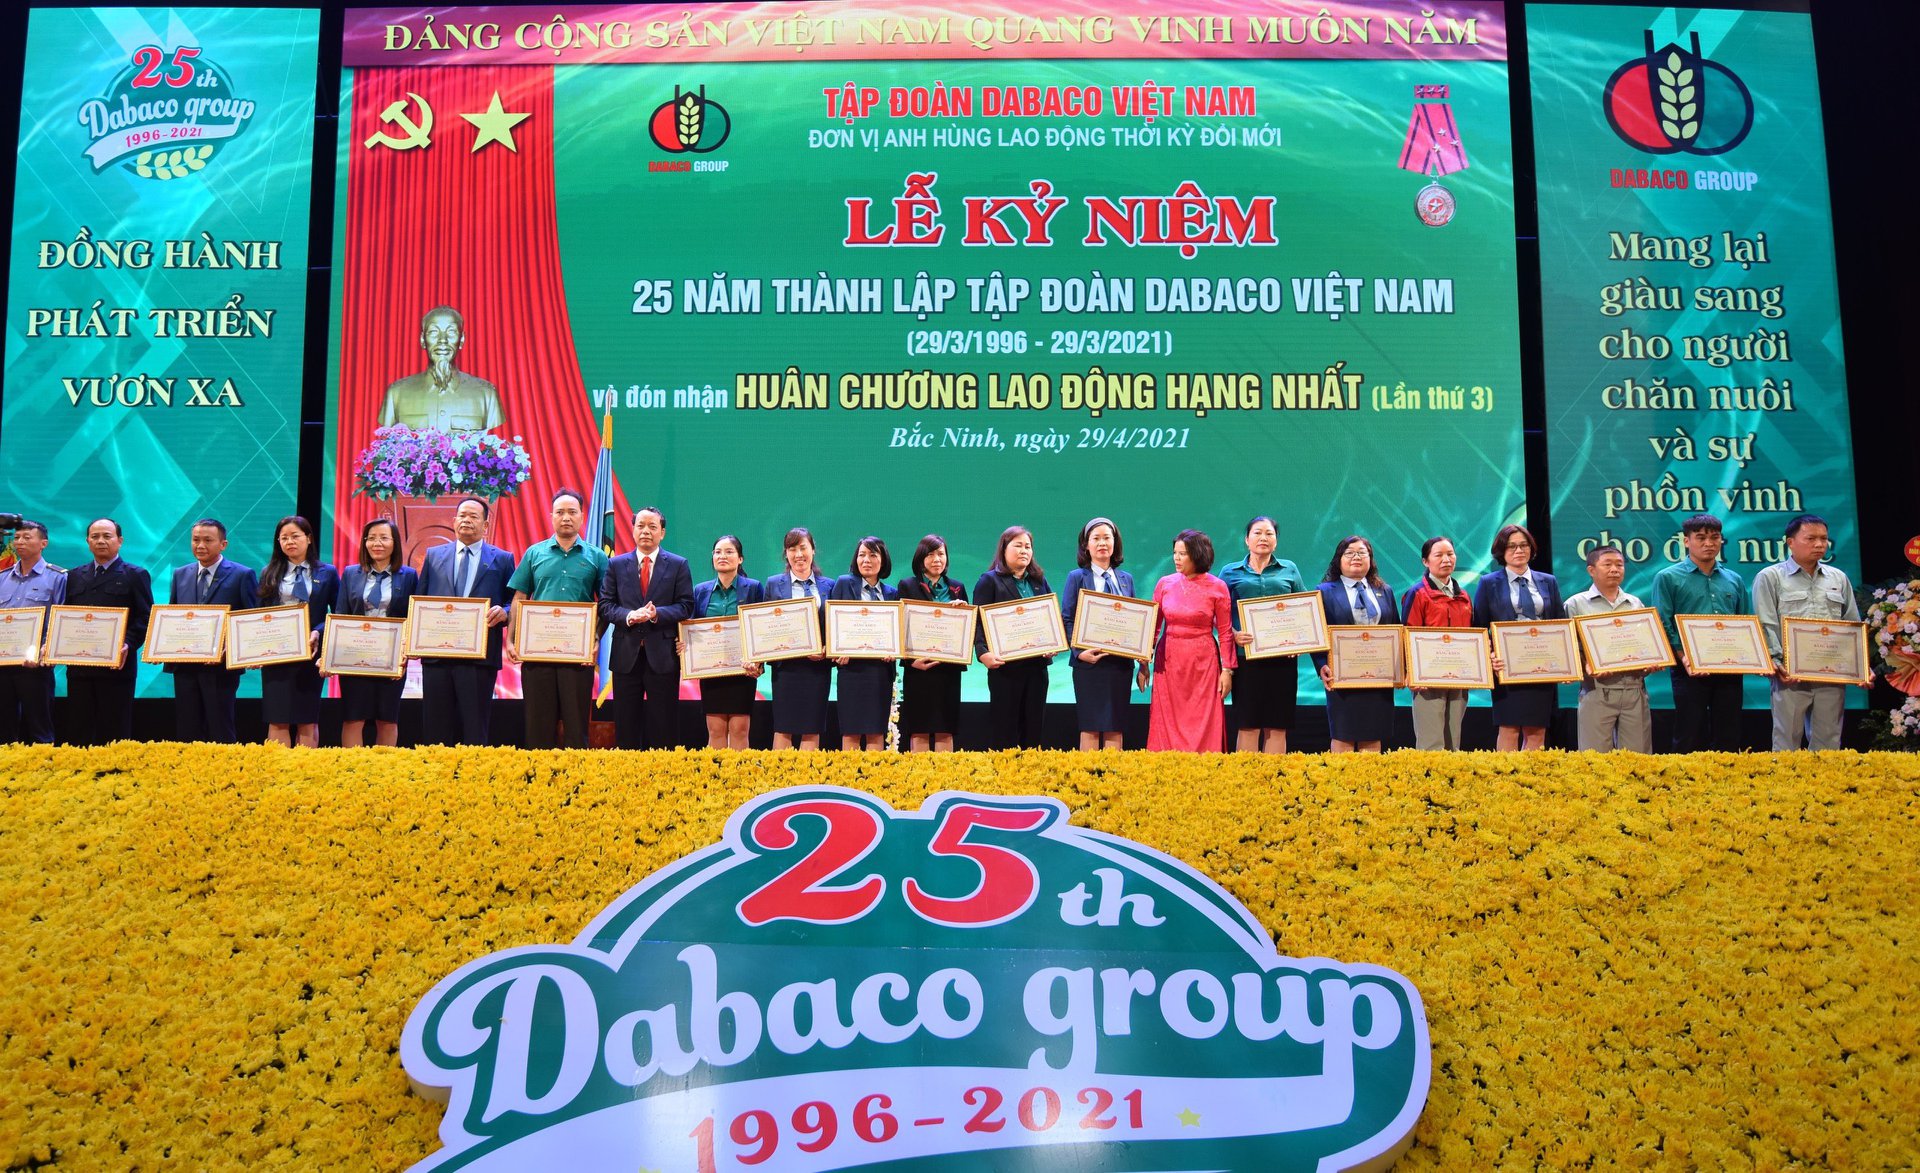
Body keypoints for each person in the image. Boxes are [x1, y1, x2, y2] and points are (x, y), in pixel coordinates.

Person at [506, 488, 607, 748]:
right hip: (537, 654)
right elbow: (519, 597)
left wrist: (596, 638)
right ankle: (538, 774)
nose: (566, 517)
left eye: (572, 512)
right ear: (551, 516)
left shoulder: (597, 556)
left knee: (576, 728)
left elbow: (606, 604)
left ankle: (575, 774)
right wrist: (511, 639)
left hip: (577, 656)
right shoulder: (534, 553)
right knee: (537, 728)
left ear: (582, 517)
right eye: (560, 512)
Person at [1753, 513, 1861, 751]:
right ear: (1790, 542)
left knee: (1829, 742)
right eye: (1811, 538)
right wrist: (1775, 663)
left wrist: (1861, 665)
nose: (1819, 544)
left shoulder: (1838, 578)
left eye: (1823, 538)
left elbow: (1852, 625)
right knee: (1786, 742)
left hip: (1831, 673)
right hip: (1789, 675)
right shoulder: (1770, 577)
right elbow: (1766, 623)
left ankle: (1825, 777)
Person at [415, 495, 515, 745]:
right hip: (437, 656)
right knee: (436, 728)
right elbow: (419, 600)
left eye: (473, 516)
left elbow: (514, 601)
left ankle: (473, 770)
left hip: (479, 659)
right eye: (462, 515)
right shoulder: (434, 555)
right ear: (454, 521)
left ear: (486, 525)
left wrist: (505, 612)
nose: (466, 520)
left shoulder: (503, 559)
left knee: (474, 728)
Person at [1652, 513, 1750, 752]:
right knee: (1689, 733)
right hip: (1688, 667)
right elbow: (1662, 622)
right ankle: (1685, 777)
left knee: (1729, 734)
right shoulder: (1667, 577)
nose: (1709, 543)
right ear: (1686, 541)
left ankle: (1727, 775)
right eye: (1701, 537)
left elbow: (1745, 623)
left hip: (1729, 667)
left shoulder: (1734, 579)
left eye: (1715, 537)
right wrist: (1683, 657)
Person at [600, 507, 695, 750]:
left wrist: (657, 614)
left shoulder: (678, 564)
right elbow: (605, 606)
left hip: (663, 657)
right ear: (632, 530)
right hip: (625, 656)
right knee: (626, 726)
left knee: (664, 727)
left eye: (652, 527)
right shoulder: (616, 565)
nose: (646, 531)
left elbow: (686, 606)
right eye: (640, 526)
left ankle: (664, 772)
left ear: (662, 533)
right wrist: (629, 616)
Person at [60, 518, 152, 745]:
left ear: (120, 541)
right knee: (78, 730)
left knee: (114, 731)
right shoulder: (74, 575)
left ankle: (114, 768)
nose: (101, 541)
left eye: (107, 536)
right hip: (79, 667)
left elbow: (145, 617)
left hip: (116, 668)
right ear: (87, 541)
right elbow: (65, 616)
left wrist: (127, 643)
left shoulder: (135, 575)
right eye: (95, 536)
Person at [1472, 524, 1564, 750]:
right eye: (1511, 546)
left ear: (1531, 548)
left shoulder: (1548, 581)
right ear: (1501, 551)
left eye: (1524, 545)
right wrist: (1490, 656)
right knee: (1509, 728)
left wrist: (1565, 662)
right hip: (1506, 667)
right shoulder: (1488, 583)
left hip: (1542, 666)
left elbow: (1559, 624)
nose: (1519, 550)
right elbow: (1480, 627)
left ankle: (1530, 773)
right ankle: (1506, 773)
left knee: (1537, 730)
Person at [1220, 515, 1307, 753]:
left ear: (1276, 541)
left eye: (1269, 533)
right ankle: (1247, 775)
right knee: (1248, 724)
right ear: (1246, 540)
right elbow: (1218, 613)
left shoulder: (1289, 569)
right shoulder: (1230, 572)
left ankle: (1272, 776)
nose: (1263, 538)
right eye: (1257, 533)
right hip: (1246, 658)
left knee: (1278, 725)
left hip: (1282, 658)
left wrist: (1300, 641)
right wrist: (1234, 634)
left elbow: (1303, 608)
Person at [167, 518, 258, 743]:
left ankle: (224, 766)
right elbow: (173, 616)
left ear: (223, 544)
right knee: (187, 729)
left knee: (220, 728)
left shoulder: (242, 574)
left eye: (208, 540)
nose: (200, 545)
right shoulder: (180, 574)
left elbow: (250, 619)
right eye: (195, 540)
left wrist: (232, 648)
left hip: (220, 668)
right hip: (185, 666)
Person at [1144, 529, 1235, 752]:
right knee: (1167, 722)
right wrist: (1144, 661)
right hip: (1169, 662)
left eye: (1182, 554)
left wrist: (1227, 671)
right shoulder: (1165, 584)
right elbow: (1153, 628)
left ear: (1198, 554)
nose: (1176, 558)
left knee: (1202, 721)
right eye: (1175, 553)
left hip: (1203, 665)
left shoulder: (1218, 587)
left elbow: (1225, 632)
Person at [1312, 536, 1401, 753]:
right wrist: (1321, 664)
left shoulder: (1385, 591)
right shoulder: (1324, 591)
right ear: (1339, 559)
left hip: (1378, 678)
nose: (1356, 557)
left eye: (1362, 553)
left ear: (1371, 559)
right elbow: (1317, 633)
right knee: (1343, 735)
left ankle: (1368, 777)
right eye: (1349, 553)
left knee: (1373, 735)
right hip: (1342, 677)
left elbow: (1396, 630)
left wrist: (1401, 669)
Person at [255, 516, 338, 748]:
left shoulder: (327, 572)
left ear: (308, 538)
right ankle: (279, 767)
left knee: (307, 718)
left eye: (295, 536)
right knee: (277, 717)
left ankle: (305, 768)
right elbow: (259, 614)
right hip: (277, 655)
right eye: (284, 538)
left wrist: (318, 631)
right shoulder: (269, 572)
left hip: (310, 652)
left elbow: (338, 613)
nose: (289, 542)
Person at [335, 518, 417, 748]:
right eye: (371, 538)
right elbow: (341, 614)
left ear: (395, 543)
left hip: (390, 657)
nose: (377, 543)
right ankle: (352, 767)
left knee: (387, 719)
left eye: (383, 538)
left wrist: (405, 653)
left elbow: (413, 617)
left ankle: (384, 768)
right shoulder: (350, 573)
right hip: (354, 656)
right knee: (353, 718)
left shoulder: (409, 576)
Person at [1563, 544, 1652, 753]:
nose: (1614, 569)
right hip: (1597, 689)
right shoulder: (1575, 604)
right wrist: (1585, 666)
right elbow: (1569, 647)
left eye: (1619, 565)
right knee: (1594, 759)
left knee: (1639, 759)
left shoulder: (1635, 603)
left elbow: (1646, 643)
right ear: (1591, 570)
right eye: (1608, 564)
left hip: (1634, 687)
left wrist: (1651, 661)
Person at [974, 525, 1056, 749]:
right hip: (1005, 669)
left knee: (1033, 730)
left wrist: (1053, 643)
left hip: (1037, 667)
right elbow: (978, 622)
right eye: (1018, 545)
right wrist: (983, 653)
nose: (1024, 551)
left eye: (1028, 546)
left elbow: (1050, 619)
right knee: (1005, 730)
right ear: (1004, 549)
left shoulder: (1038, 581)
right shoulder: (989, 581)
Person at [1060, 517, 1138, 750]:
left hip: (1120, 664)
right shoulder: (1077, 577)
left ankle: (1112, 774)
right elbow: (1067, 618)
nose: (1102, 543)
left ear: (1115, 543)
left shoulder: (1126, 579)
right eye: (1096, 538)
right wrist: (1079, 652)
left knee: (1116, 724)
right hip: (1088, 664)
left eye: (1107, 538)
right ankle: (1088, 773)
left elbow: (1135, 622)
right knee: (1090, 725)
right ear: (1086, 545)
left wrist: (1142, 657)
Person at [760, 527, 834, 750]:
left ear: (813, 550)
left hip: (817, 668)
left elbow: (834, 628)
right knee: (784, 726)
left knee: (812, 727)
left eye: (803, 548)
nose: (798, 554)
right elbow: (765, 627)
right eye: (792, 549)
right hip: (786, 669)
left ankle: (806, 773)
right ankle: (781, 772)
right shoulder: (773, 584)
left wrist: (827, 649)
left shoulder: (829, 585)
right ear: (786, 553)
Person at [377, 306, 504, 433]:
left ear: (462, 340)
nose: (442, 340)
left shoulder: (486, 394)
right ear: (422, 340)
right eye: (433, 332)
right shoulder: (396, 393)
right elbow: (387, 440)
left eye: (451, 332)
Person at [688, 535, 762, 749]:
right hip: (712, 670)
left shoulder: (754, 588)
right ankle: (716, 771)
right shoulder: (701, 591)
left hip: (742, 670)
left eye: (729, 552)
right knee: (715, 729)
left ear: (740, 558)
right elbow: (690, 629)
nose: (722, 556)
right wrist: (685, 646)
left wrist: (758, 662)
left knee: (740, 729)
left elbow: (760, 629)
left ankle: (738, 770)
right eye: (718, 552)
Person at [896, 534, 968, 752]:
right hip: (919, 669)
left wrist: (962, 612)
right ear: (921, 559)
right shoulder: (907, 585)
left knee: (946, 727)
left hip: (948, 670)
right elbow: (900, 627)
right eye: (930, 555)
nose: (937, 559)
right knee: (919, 728)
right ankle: (920, 774)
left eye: (941, 554)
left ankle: (944, 773)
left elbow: (966, 629)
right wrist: (910, 662)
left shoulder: (957, 588)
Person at [1401, 535, 1473, 751]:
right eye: (1438, 555)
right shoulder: (1417, 594)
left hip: (1459, 677)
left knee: (1454, 743)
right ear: (1425, 561)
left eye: (1450, 554)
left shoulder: (1464, 596)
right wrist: (1411, 672)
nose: (1446, 559)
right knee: (1431, 744)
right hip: (1428, 679)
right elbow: (1408, 633)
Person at [829, 536, 900, 751]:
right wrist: (836, 649)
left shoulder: (891, 594)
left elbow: (895, 632)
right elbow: (832, 623)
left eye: (872, 555)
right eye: (862, 555)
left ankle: (874, 773)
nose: (866, 560)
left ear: (883, 560)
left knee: (876, 732)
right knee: (851, 731)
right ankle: (849, 773)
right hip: (851, 670)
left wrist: (894, 651)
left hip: (880, 672)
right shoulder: (843, 583)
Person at [0, 519, 66, 743]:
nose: (20, 542)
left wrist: (47, 650)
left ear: (43, 543)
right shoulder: (2, 577)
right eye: (17, 537)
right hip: (3, 663)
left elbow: (61, 621)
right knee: (4, 729)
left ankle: (42, 765)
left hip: (36, 665)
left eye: (27, 537)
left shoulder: (58, 577)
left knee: (40, 729)